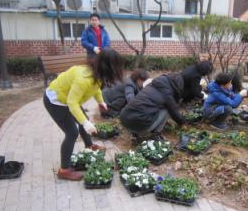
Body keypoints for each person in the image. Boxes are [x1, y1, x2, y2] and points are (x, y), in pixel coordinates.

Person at [43, 49, 124, 181]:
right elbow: (72, 103)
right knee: (72, 133)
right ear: (107, 67)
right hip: (56, 101)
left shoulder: (96, 73)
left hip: (68, 98)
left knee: (83, 119)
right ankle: (64, 170)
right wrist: (86, 124)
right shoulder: (83, 79)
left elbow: (96, 87)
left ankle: (89, 146)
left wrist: (101, 101)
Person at [120, 73, 187, 141]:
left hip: (124, 120)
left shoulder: (150, 85)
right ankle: (156, 133)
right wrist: (183, 122)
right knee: (167, 109)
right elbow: (174, 112)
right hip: (140, 127)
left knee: (147, 107)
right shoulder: (167, 95)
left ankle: (134, 133)